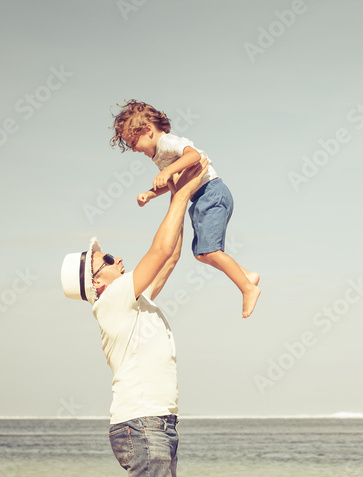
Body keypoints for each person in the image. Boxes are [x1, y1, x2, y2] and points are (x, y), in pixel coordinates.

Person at [60, 158, 209, 477]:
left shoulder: (133, 300)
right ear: (97, 282)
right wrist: (183, 191)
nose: (115, 258)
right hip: (141, 424)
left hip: (157, 423)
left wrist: (179, 194)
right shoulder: (112, 303)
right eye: (107, 260)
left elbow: (171, 254)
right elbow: (158, 248)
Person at [109, 99, 261, 318]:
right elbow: (171, 183)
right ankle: (246, 275)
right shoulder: (158, 155)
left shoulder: (167, 142)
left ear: (148, 130)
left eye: (133, 142)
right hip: (199, 199)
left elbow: (194, 155)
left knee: (211, 251)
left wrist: (168, 171)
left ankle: (248, 288)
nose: (133, 149)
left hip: (211, 192)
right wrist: (151, 193)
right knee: (201, 254)